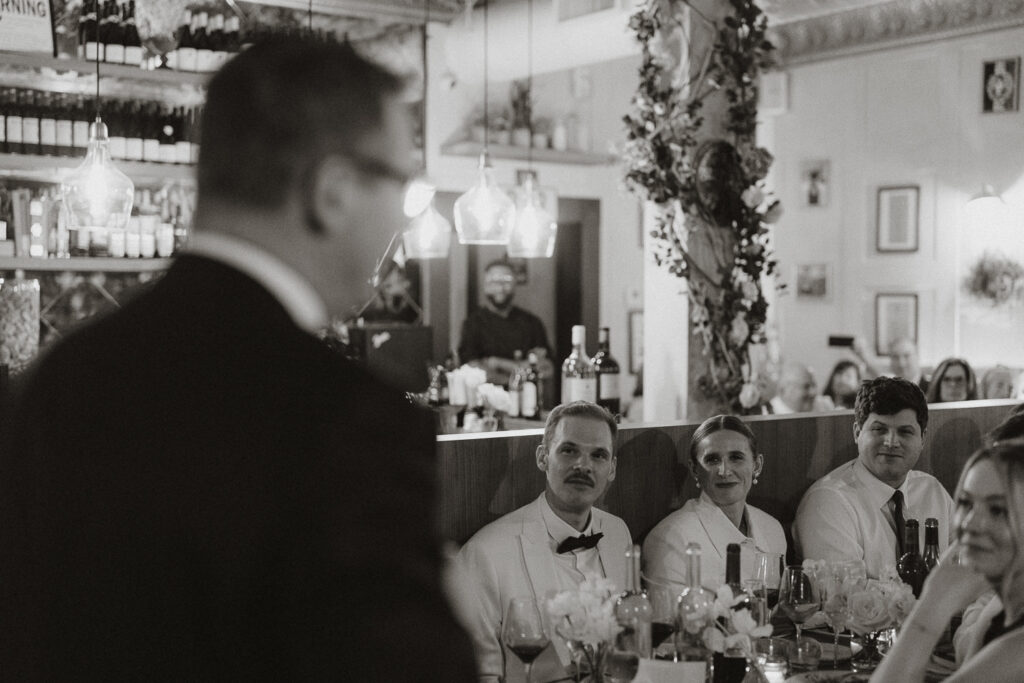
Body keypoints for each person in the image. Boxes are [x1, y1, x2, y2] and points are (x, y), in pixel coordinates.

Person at [0, 39, 475, 681]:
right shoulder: (348, 418)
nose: (402, 214)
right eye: (402, 182)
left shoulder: (53, 380)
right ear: (331, 191)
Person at [453, 401, 631, 683]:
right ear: (543, 457)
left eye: (598, 455)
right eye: (569, 450)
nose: (583, 465)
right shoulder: (485, 553)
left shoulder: (618, 533)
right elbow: (477, 673)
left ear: (611, 469)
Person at [870, 438, 1024, 683]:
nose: (970, 523)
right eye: (966, 503)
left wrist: (935, 604)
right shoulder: (998, 615)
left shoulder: (1018, 648)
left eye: (997, 510)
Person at [793, 376, 956, 579]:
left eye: (905, 432)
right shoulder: (828, 501)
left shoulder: (932, 490)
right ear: (857, 432)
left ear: (922, 439)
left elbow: (969, 566)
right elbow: (843, 594)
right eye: (879, 429)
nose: (891, 442)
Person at [643, 415, 787, 591]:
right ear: (695, 469)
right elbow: (667, 617)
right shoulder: (670, 540)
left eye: (736, 457)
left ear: (757, 466)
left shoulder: (772, 529)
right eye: (712, 460)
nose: (724, 471)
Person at [457, 259, 552, 385]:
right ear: (485, 286)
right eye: (494, 281)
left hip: (527, 399)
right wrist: (514, 378)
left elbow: (546, 368)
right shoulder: (473, 324)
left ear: (515, 284)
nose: (500, 287)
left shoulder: (532, 323)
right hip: (485, 399)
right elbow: (471, 367)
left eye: (506, 281)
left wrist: (496, 362)